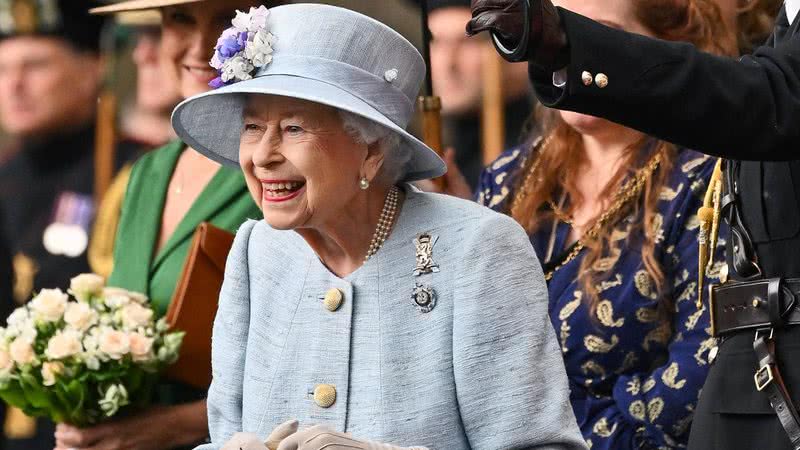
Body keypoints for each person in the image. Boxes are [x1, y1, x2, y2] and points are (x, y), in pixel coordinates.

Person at [172, 4, 585, 449]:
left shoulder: (479, 250)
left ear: (370, 149)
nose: (263, 155)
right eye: (253, 127)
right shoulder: (256, 251)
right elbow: (224, 431)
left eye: (293, 128)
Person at [467, 0, 800, 449]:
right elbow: (472, 351)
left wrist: (555, 427)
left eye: (598, 34)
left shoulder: (704, 176)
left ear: (667, 50)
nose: (560, 57)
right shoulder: (511, 177)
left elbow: (691, 377)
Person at [52, 0, 274, 449]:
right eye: (180, 19)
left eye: (227, 19)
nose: (199, 45)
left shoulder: (281, 173)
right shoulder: (145, 174)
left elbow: (319, 360)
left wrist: (174, 426)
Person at [0, 1, 107, 447]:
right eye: (3, 69)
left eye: (36, 65)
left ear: (91, 70)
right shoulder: (5, 177)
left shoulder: (129, 172)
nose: (15, 85)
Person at [424, 0, 533, 189]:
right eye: (436, 41)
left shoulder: (538, 161)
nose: (449, 63)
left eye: (468, 42)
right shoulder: (421, 157)